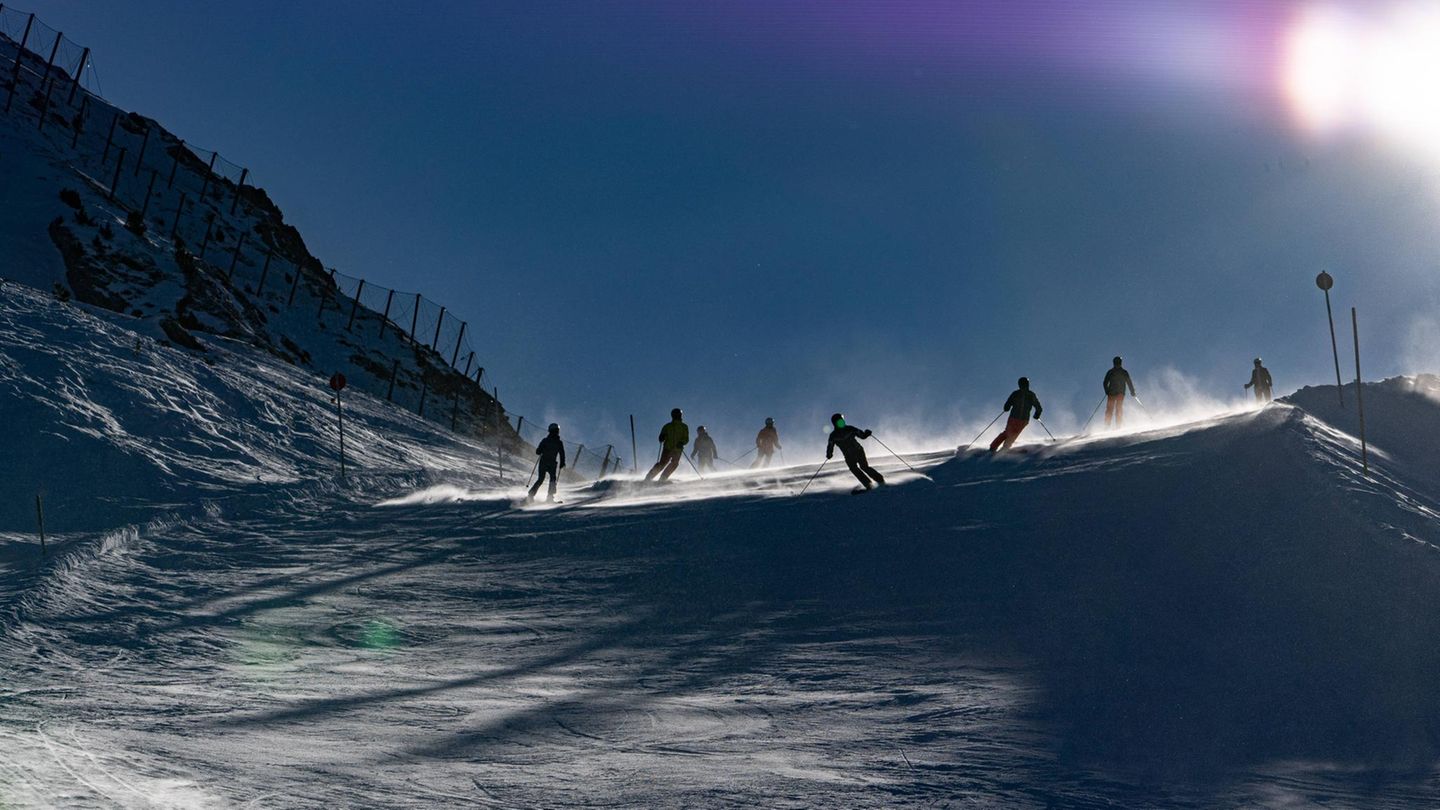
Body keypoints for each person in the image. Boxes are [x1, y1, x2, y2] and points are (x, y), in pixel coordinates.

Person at [827, 413, 886, 490]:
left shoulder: (850, 429)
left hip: (858, 451)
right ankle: (868, 484)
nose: (841, 423)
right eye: (839, 422)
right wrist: (829, 454)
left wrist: (866, 434)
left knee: (864, 467)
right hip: (848, 455)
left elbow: (861, 435)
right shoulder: (833, 435)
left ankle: (880, 480)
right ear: (835, 424)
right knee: (854, 468)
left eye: (842, 421)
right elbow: (830, 446)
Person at [989, 377, 1043, 453]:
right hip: (1020, 419)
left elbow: (1008, 404)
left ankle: (998, 447)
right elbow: (1038, 407)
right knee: (1011, 433)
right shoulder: (1028, 394)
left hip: (1017, 418)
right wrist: (1037, 414)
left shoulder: (1020, 394)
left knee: (1009, 433)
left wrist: (1007, 407)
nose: (1024, 386)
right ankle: (1001, 447)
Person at [645, 408, 689, 481]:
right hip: (668, 448)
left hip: (677, 449)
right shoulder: (668, 426)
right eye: (676, 415)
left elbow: (686, 438)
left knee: (674, 463)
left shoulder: (684, 426)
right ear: (673, 416)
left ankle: (663, 478)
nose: (678, 416)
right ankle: (649, 477)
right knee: (663, 463)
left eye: (678, 415)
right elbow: (661, 436)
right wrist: (662, 437)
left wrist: (681, 442)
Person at [528, 423, 566, 503]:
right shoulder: (559, 442)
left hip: (543, 462)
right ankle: (549, 498)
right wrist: (562, 463)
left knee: (541, 479)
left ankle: (531, 495)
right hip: (552, 463)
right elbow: (562, 454)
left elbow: (538, 452)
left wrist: (542, 450)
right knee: (552, 479)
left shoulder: (545, 440)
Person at [1103, 356, 1137, 428]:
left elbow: (1105, 382)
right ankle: (1115, 425)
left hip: (1113, 393)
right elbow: (1129, 382)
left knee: (1111, 409)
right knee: (1116, 409)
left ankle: (1110, 425)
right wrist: (1132, 391)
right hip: (1118, 393)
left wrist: (1106, 390)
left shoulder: (1111, 372)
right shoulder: (1123, 372)